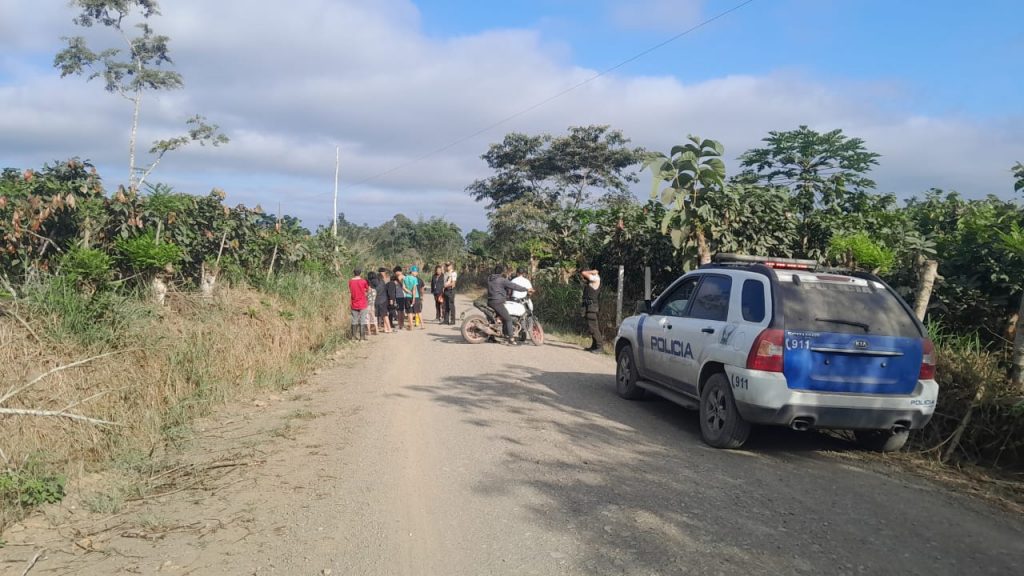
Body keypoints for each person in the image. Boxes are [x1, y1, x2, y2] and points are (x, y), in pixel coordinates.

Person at [487, 264, 526, 345]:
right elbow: (514, 286)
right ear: (502, 272)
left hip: (490, 301)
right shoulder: (502, 280)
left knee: (498, 318)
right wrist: (525, 289)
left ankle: (492, 336)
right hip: (497, 302)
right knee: (508, 319)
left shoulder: (489, 278)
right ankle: (511, 339)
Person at [581, 267, 603, 353]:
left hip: (592, 308)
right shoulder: (591, 280)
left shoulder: (595, 278)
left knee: (594, 328)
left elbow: (583, 273)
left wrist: (591, 272)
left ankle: (599, 346)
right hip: (589, 307)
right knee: (591, 328)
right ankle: (594, 346)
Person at [348, 268, 370, 341]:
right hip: (363, 303)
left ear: (353, 273)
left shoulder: (350, 281)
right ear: (360, 273)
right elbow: (368, 290)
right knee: (362, 320)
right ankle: (362, 337)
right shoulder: (363, 281)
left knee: (354, 320)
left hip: (354, 303)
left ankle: (353, 337)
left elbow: (350, 291)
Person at [374, 268, 392, 334]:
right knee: (384, 315)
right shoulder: (383, 282)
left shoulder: (378, 283)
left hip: (381, 300)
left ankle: (387, 328)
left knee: (383, 315)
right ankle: (386, 328)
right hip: (384, 299)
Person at [403, 265, 421, 330]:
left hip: (407, 296)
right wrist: (413, 298)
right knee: (417, 310)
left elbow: (403, 287)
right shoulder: (415, 279)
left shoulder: (405, 278)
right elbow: (414, 289)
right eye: (416, 272)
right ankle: (421, 324)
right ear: (412, 272)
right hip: (414, 296)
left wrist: (408, 292)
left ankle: (411, 325)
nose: (417, 273)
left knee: (409, 312)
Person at [391, 266, 407, 331]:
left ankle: (402, 324)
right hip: (397, 296)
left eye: (396, 272)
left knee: (401, 310)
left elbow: (404, 286)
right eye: (395, 272)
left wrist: (399, 282)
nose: (396, 273)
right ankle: (399, 324)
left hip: (402, 296)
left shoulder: (404, 277)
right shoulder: (395, 278)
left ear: (399, 271)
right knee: (398, 310)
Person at [365, 271, 379, 336]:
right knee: (374, 317)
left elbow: (365, 297)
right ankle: (377, 330)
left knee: (367, 318)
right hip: (373, 305)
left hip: (367, 305)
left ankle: (369, 331)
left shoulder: (366, 290)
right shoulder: (375, 290)